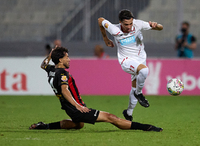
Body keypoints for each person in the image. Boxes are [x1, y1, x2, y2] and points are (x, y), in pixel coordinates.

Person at [29, 47, 163, 132]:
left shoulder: (51, 70)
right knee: (111, 118)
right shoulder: (62, 74)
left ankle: (44, 126)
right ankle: (146, 127)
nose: (69, 59)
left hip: (68, 108)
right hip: (75, 108)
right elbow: (65, 91)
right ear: (60, 59)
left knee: (78, 125)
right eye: (66, 57)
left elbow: (43, 64)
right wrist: (78, 106)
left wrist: (50, 54)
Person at [98, 9, 163, 121]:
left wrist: (156, 25)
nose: (129, 27)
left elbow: (161, 28)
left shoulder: (138, 24)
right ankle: (139, 93)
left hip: (141, 58)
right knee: (144, 71)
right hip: (126, 60)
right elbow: (100, 20)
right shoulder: (114, 29)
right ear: (120, 22)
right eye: (126, 24)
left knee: (134, 84)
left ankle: (128, 113)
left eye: (130, 24)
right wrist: (105, 38)